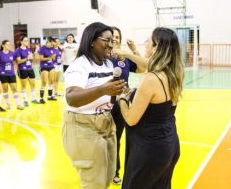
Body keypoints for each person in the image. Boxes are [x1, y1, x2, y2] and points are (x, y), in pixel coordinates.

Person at [117, 27, 184, 189]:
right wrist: (128, 53)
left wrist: (122, 99)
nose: (145, 44)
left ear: (156, 48)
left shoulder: (151, 78)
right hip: (169, 144)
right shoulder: (173, 71)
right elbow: (148, 64)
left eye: (148, 41)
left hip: (150, 150)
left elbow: (131, 119)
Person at [62, 22, 125, 189]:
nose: (111, 44)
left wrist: (117, 93)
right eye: (107, 40)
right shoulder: (80, 65)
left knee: (107, 177)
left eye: (113, 40)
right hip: (83, 126)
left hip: (106, 122)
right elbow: (72, 98)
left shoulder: (108, 64)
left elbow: (108, 96)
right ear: (92, 41)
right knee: (94, 183)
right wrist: (103, 89)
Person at [109, 27, 145, 185]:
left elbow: (143, 68)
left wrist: (134, 50)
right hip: (102, 104)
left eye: (117, 36)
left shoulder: (125, 57)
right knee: (101, 140)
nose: (115, 39)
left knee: (116, 139)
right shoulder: (100, 56)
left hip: (120, 104)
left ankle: (115, 171)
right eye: (112, 36)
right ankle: (103, 169)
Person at [0, 40, 23, 110]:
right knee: (5, 89)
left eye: (9, 44)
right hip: (3, 74)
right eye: (7, 44)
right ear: (3, 45)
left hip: (11, 73)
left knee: (14, 89)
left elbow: (16, 61)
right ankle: (8, 105)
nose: (9, 46)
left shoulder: (13, 53)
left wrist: (14, 67)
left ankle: (18, 104)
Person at [14, 36, 40, 106]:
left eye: (27, 41)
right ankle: (25, 100)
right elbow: (18, 61)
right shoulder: (18, 50)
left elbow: (31, 60)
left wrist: (33, 56)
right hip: (22, 69)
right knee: (24, 86)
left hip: (30, 69)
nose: (26, 42)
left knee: (33, 85)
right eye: (25, 40)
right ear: (21, 42)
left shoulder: (28, 49)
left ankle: (33, 99)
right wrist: (27, 58)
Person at [38, 37, 56, 103]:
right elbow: (41, 59)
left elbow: (53, 59)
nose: (51, 45)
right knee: (44, 82)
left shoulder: (52, 48)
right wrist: (50, 57)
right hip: (43, 66)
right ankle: (41, 98)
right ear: (47, 42)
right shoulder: (42, 48)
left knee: (51, 81)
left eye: (52, 44)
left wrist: (53, 57)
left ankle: (50, 96)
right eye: (51, 43)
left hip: (51, 66)